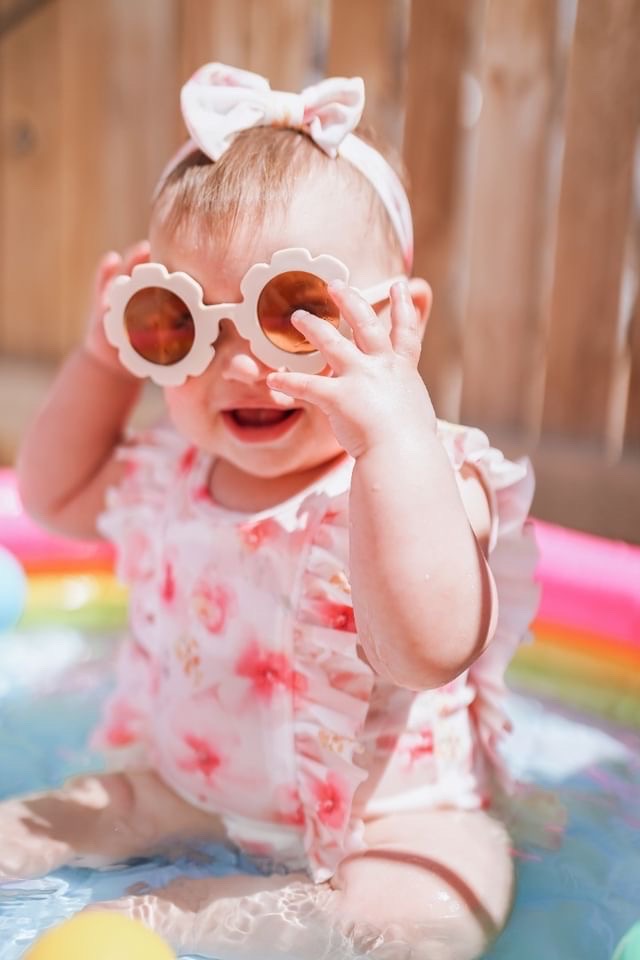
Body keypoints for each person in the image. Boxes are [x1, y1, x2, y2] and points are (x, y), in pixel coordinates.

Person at [4, 64, 539, 959]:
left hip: (397, 826)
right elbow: (50, 498)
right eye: (182, 322)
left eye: (295, 313)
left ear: (400, 321)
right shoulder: (174, 474)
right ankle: (200, 904)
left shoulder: (439, 476)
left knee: (418, 923)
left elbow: (429, 647)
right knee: (53, 819)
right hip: (186, 788)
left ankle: (194, 913)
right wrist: (102, 361)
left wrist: (391, 433)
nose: (240, 365)